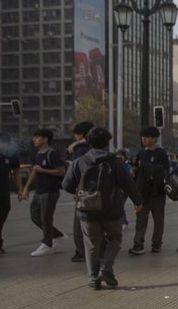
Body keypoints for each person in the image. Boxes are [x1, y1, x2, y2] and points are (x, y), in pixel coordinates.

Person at [63, 126, 143, 290]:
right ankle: (106, 268)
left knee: (91, 244)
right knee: (115, 239)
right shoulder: (115, 162)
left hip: (87, 211)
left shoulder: (79, 162)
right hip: (112, 210)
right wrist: (138, 202)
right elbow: (128, 184)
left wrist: (78, 192)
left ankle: (94, 279)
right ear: (107, 143)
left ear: (89, 143)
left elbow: (66, 184)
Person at [19, 128, 67, 256]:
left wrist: (43, 170)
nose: (34, 140)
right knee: (35, 216)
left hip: (50, 191)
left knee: (45, 218)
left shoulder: (52, 154)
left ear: (45, 139)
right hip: (39, 191)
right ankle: (57, 235)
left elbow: (61, 171)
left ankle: (47, 244)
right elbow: (34, 172)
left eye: (37, 137)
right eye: (34, 137)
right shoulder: (37, 155)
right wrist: (26, 188)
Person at [129, 125, 169, 255]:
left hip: (157, 192)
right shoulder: (142, 153)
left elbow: (164, 171)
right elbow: (136, 167)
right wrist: (134, 170)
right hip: (142, 192)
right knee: (141, 220)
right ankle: (138, 244)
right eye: (143, 137)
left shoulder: (161, 153)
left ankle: (156, 243)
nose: (144, 139)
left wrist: (146, 166)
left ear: (154, 138)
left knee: (158, 219)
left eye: (146, 137)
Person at [66, 121, 94, 263]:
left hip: (83, 190)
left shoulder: (80, 149)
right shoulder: (97, 147)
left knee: (79, 222)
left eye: (76, 135)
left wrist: (74, 189)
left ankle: (81, 252)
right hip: (97, 188)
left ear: (81, 134)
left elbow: (77, 170)